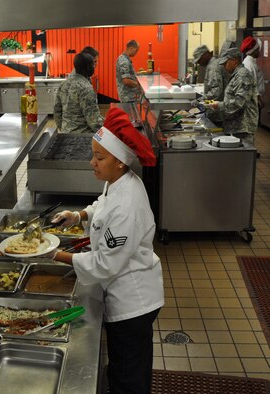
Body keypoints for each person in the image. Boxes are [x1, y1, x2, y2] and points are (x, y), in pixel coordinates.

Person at [50, 108, 164, 394]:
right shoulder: (117, 183)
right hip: (122, 292)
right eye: (93, 155)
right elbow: (102, 205)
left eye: (100, 158)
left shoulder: (128, 203)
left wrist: (53, 253)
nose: (92, 163)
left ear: (121, 163)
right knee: (124, 369)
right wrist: (78, 216)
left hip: (132, 302)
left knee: (129, 379)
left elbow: (104, 264)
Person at [207, 47, 258, 146]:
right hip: (236, 127)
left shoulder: (242, 76)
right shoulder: (236, 75)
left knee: (243, 158)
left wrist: (219, 105)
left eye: (226, 63)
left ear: (234, 61)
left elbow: (239, 103)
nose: (224, 67)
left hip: (242, 128)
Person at [54, 53, 104, 134]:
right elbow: (94, 121)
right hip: (83, 136)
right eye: (92, 65)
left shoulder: (63, 84)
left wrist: (64, 129)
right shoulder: (86, 88)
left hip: (65, 134)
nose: (94, 67)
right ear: (87, 67)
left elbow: (57, 112)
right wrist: (109, 134)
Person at [240, 36, 265, 113]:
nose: (259, 52)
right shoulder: (249, 65)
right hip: (253, 101)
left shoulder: (250, 63)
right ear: (253, 51)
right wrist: (259, 99)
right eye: (257, 50)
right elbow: (252, 85)